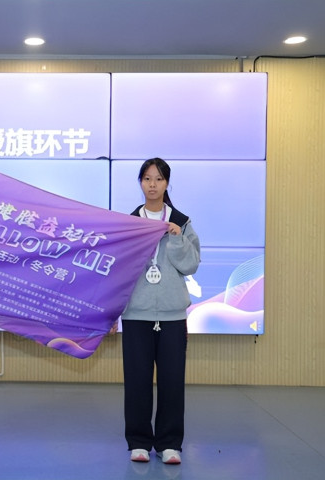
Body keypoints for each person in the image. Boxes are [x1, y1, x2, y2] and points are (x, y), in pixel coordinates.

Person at [120, 157, 200, 465]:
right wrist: (111, 313)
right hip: (136, 315)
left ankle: (169, 444)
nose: (152, 185)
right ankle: (139, 442)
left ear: (167, 183)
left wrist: (177, 240)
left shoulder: (182, 222)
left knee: (172, 382)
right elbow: (119, 270)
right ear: (140, 183)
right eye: (147, 179)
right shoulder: (129, 223)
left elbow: (190, 265)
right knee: (137, 381)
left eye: (158, 179)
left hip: (172, 316)